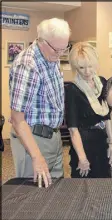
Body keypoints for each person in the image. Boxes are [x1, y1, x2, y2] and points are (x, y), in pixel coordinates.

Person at [9, 18, 71, 188]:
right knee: (33, 197)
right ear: (41, 41)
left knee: (56, 192)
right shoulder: (27, 65)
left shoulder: (52, 56)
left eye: (64, 48)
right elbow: (17, 120)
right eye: (56, 49)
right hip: (33, 139)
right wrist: (37, 156)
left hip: (53, 136)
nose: (60, 54)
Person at [65, 42, 112, 178]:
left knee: (104, 184)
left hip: (101, 143)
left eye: (90, 66)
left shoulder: (102, 82)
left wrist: (111, 143)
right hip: (83, 145)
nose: (87, 72)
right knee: (83, 187)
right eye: (81, 67)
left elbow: (107, 117)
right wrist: (82, 158)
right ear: (75, 67)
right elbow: (73, 129)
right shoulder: (73, 89)